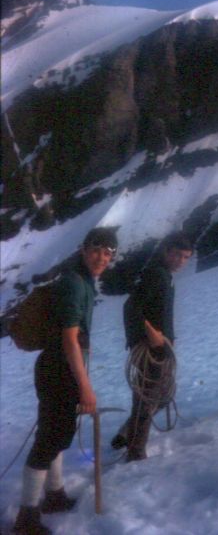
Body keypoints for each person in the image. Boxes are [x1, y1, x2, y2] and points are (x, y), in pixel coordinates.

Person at [14, 227, 118, 535]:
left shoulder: (81, 280)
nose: (102, 257)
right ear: (85, 249)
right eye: (97, 249)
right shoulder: (74, 283)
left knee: (57, 433)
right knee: (49, 440)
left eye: (108, 253)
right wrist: (85, 386)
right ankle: (27, 517)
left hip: (59, 369)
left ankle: (54, 495)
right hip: (58, 370)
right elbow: (70, 340)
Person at [111, 232, 193, 462]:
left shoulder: (163, 274)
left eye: (186, 257)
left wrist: (167, 338)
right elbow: (132, 308)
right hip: (150, 348)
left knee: (161, 396)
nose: (181, 261)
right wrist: (153, 335)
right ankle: (135, 453)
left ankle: (126, 434)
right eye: (177, 255)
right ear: (166, 250)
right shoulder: (156, 274)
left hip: (160, 346)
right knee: (147, 400)